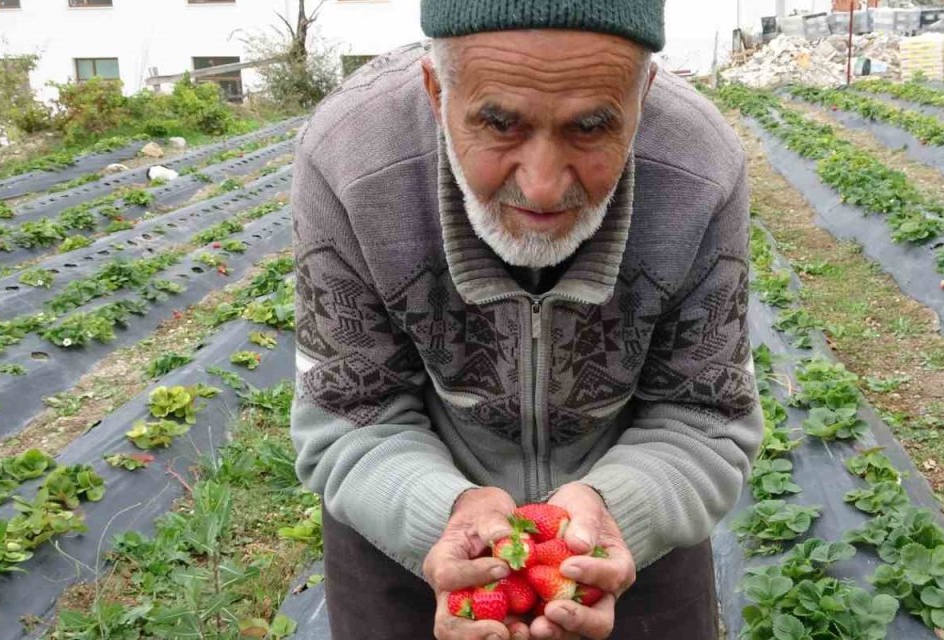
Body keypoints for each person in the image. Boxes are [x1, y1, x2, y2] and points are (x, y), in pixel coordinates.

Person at [289, 1, 761, 638]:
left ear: (642, 97)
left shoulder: (701, 169)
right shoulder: (349, 159)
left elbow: (705, 415)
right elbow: (351, 413)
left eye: (590, 127)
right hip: (407, 521)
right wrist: (444, 514)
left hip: (626, 539)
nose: (541, 185)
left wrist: (616, 511)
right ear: (436, 92)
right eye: (499, 124)